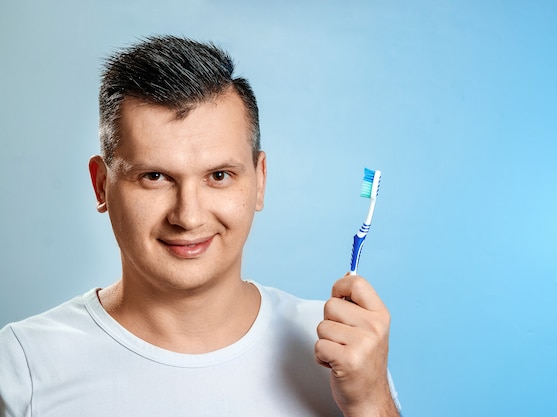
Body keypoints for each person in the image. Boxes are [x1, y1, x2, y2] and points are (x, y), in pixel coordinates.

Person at [0, 35, 400, 416]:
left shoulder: (340, 348)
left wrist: (371, 404)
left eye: (219, 176)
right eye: (155, 177)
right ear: (101, 185)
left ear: (260, 181)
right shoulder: (23, 365)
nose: (188, 216)